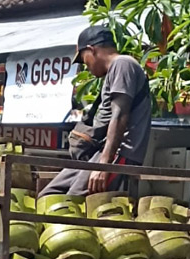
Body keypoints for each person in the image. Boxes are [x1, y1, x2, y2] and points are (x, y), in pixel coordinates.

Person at [40, 25, 151, 196]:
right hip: (101, 153)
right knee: (50, 194)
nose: (86, 66)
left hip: (120, 154)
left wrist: (103, 165)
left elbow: (120, 115)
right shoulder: (114, 70)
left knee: (74, 200)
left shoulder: (123, 64)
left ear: (92, 50)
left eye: (84, 60)